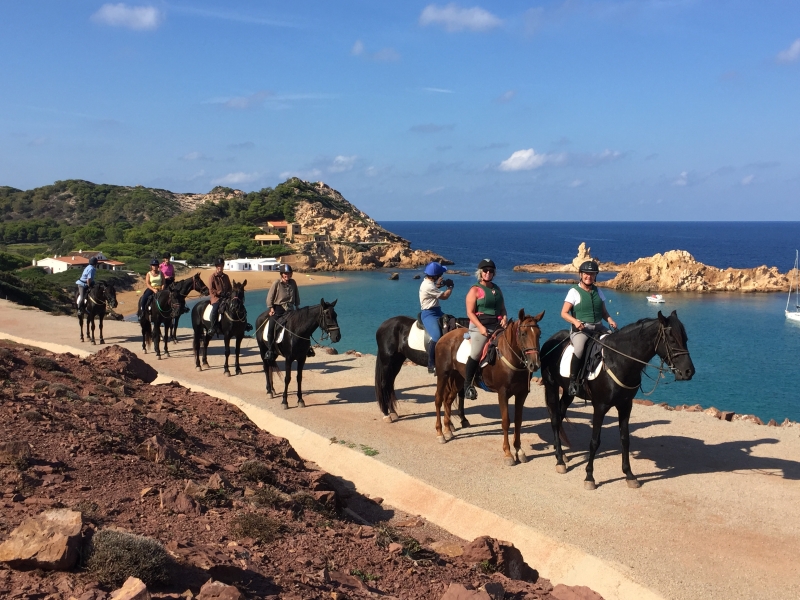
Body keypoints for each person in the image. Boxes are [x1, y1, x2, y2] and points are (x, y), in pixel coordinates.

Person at [560, 260, 617, 396]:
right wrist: (575, 321)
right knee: (579, 349)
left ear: (595, 276)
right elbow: (563, 313)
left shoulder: (598, 291)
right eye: (586, 274)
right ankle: (574, 381)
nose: (589, 276)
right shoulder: (574, 291)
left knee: (615, 343)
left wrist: (610, 320)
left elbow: (603, 312)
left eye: (592, 274)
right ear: (581, 274)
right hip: (581, 330)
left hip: (599, 327)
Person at [463, 259, 508, 399]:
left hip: (496, 325)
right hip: (479, 326)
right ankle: (467, 386)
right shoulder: (475, 290)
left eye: (491, 271)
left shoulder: (497, 289)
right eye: (485, 271)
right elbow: (470, 312)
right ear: (480, 273)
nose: (488, 273)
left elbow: (502, 309)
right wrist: (481, 328)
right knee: (476, 353)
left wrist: (505, 318)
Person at [419, 261, 454, 374]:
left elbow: (434, 290)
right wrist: (450, 287)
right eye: (439, 274)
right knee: (436, 336)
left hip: (437, 311)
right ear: (435, 275)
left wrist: (439, 285)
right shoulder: (428, 286)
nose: (441, 276)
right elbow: (444, 296)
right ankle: (431, 364)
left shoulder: (428, 282)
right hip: (429, 314)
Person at [264, 264, 300, 360]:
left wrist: (297, 306)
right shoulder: (277, 283)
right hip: (278, 309)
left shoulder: (293, 283)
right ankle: (270, 350)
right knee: (271, 327)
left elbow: (296, 295)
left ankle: (306, 348)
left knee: (302, 325)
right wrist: (271, 308)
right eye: (285, 273)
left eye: (288, 273)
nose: (287, 275)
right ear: (281, 274)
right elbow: (270, 297)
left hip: (291, 309)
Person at [207, 258, 232, 334]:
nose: (220, 267)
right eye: (219, 266)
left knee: (236, 305)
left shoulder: (226, 276)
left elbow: (230, 287)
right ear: (216, 266)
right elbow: (211, 289)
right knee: (215, 309)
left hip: (226, 297)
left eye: (221, 265)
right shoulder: (212, 277)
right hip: (216, 298)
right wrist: (219, 293)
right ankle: (213, 326)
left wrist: (228, 293)